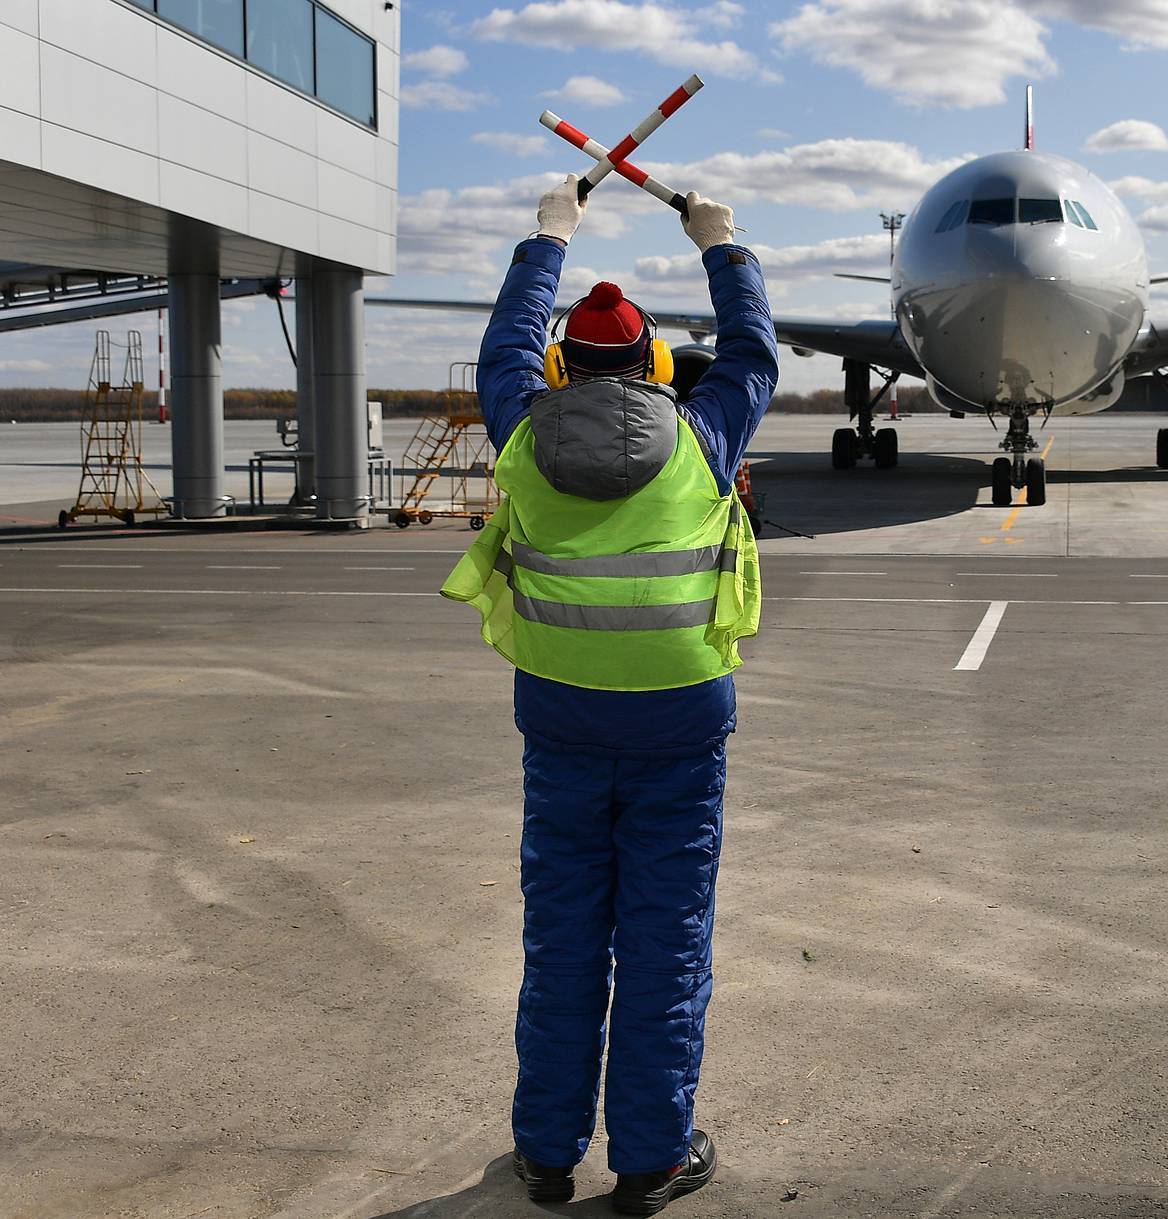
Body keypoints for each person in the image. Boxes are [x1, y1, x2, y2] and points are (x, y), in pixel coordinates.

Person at [440, 173, 777, 1215]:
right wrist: (722, 245)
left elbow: (504, 345)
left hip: (563, 725)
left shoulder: (523, 434)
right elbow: (754, 351)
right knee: (666, 945)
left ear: (561, 366)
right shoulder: (704, 438)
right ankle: (651, 1158)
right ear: (653, 363)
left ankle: (547, 1153)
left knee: (564, 942)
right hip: (681, 726)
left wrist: (549, 237)